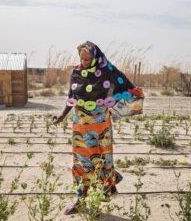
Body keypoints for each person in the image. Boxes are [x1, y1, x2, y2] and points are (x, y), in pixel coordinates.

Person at [54, 41, 143, 215]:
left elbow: (125, 85)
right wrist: (62, 115)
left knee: (100, 161)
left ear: (95, 57)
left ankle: (98, 199)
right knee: (80, 162)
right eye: (82, 58)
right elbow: (71, 97)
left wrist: (132, 99)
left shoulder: (106, 72)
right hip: (80, 125)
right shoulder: (76, 72)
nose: (85, 61)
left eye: (87, 58)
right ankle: (80, 201)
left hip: (100, 126)